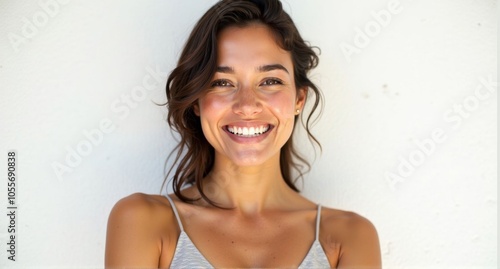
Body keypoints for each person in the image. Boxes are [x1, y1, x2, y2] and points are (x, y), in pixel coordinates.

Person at [105, 0, 381, 268]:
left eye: (270, 81)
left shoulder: (350, 237)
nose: (247, 106)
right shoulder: (143, 221)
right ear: (197, 100)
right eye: (222, 82)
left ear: (298, 99)